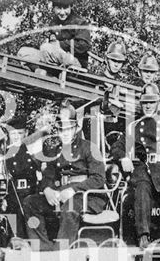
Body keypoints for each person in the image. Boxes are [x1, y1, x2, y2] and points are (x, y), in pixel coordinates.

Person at [110, 83, 160, 248]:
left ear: (158, 103)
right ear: (140, 103)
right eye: (145, 102)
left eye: (151, 102)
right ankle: (143, 236)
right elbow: (116, 147)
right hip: (145, 170)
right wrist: (124, 157)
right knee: (141, 189)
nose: (148, 105)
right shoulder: (134, 127)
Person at [23, 101, 106, 250]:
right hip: (61, 195)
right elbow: (48, 175)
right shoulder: (54, 150)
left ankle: (61, 254)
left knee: (70, 206)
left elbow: (99, 178)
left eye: (69, 128)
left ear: (76, 128)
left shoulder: (89, 148)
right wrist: (48, 189)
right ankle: (43, 249)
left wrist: (73, 190)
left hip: (88, 196)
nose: (65, 133)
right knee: (30, 202)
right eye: (62, 129)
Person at [0, 116, 42, 239]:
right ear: (8, 135)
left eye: (20, 133)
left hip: (30, 196)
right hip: (11, 197)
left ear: (26, 133)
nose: (17, 136)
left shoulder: (32, 152)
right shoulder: (5, 154)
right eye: (13, 134)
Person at [17, 0, 91, 70]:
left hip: (75, 60)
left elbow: (84, 45)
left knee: (46, 48)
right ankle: (40, 71)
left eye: (65, 8)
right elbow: (50, 42)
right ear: (54, 8)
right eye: (59, 8)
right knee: (23, 52)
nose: (62, 12)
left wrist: (60, 44)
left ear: (70, 7)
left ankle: (53, 69)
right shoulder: (54, 22)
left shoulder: (80, 23)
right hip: (54, 58)